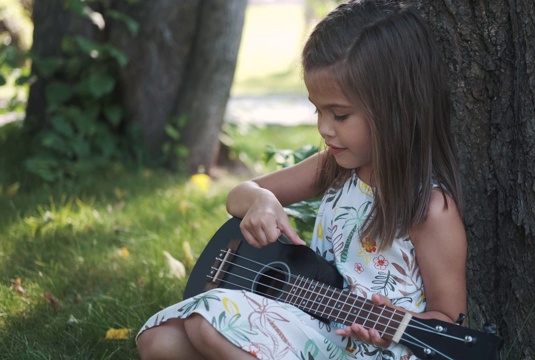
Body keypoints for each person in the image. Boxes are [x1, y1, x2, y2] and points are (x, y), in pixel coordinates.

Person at [136, 0, 467, 359]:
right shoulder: (334, 168)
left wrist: (392, 326)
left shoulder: (431, 210)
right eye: (317, 110)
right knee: (157, 342)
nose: (324, 128)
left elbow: (450, 324)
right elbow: (238, 195)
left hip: (369, 352)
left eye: (339, 115)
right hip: (311, 324)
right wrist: (261, 201)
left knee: (205, 324)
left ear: (396, 110)